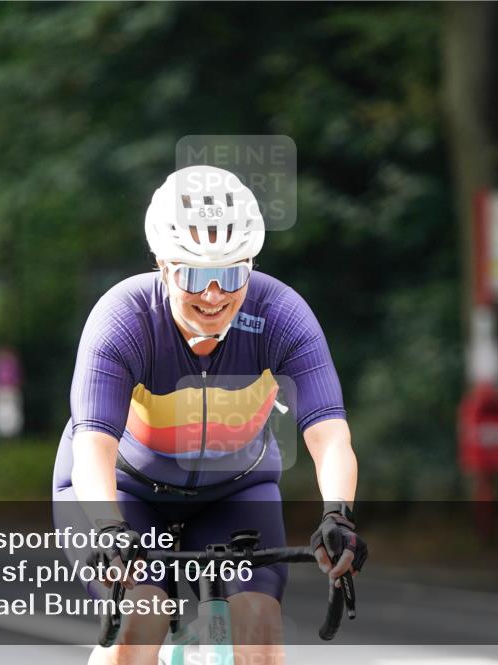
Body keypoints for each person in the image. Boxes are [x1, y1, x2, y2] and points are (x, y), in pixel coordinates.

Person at [52, 165, 367, 665]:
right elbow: (93, 445)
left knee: (260, 636)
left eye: (233, 272)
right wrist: (107, 527)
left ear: (252, 264)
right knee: (142, 619)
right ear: (162, 264)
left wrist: (337, 514)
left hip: (236, 490)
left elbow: (329, 434)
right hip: (124, 489)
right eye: (195, 274)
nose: (214, 293)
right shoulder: (124, 319)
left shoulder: (280, 314)